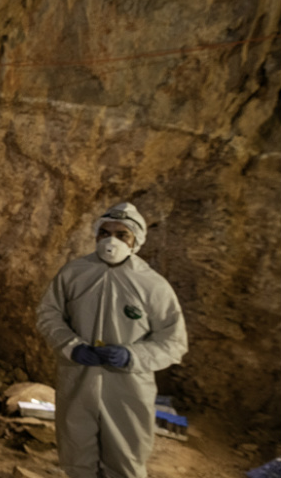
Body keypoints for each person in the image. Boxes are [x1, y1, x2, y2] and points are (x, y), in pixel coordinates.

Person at [36, 202, 188, 478]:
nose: (111, 240)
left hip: (128, 390)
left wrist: (134, 356)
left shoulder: (153, 286)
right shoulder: (73, 274)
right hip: (78, 381)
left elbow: (174, 342)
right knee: (75, 456)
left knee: (125, 462)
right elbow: (48, 314)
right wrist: (71, 346)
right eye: (104, 233)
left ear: (136, 240)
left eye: (122, 235)